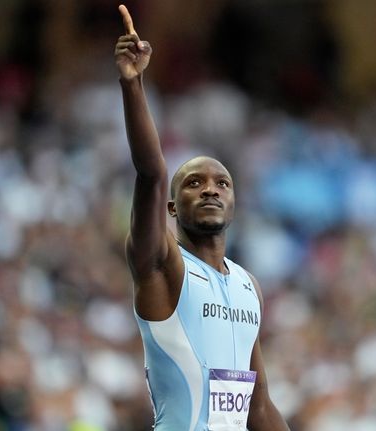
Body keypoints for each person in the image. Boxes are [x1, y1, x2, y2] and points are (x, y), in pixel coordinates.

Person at [115, 5, 290, 430]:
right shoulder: (162, 264)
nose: (210, 188)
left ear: (234, 203)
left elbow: (259, 406)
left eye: (222, 183)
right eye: (194, 183)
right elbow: (152, 173)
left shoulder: (249, 287)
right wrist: (134, 83)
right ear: (172, 208)